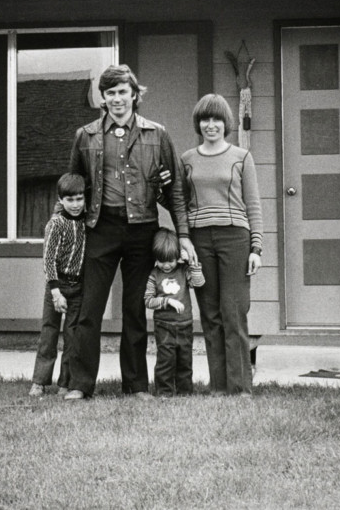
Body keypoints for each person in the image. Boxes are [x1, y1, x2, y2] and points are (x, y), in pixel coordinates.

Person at [64, 64, 196, 400]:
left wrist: (183, 236)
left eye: (123, 92)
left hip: (141, 231)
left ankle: (136, 384)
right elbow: (72, 188)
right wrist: (62, 234)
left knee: (135, 310)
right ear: (103, 99)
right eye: (110, 93)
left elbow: (176, 192)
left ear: (134, 95)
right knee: (89, 310)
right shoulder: (86, 136)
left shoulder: (158, 134)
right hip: (101, 229)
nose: (117, 98)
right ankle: (81, 384)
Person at [181, 93, 263, 396]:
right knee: (211, 315)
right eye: (205, 118)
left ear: (226, 122)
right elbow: (181, 203)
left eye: (217, 119)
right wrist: (185, 240)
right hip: (201, 240)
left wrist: (256, 247)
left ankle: (240, 386)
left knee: (233, 312)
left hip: (235, 239)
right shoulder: (187, 159)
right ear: (198, 123)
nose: (211, 124)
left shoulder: (241, 157)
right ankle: (218, 387)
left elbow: (253, 204)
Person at [29, 173, 87, 397]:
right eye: (70, 200)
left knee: (72, 336)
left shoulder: (86, 222)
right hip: (57, 285)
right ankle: (40, 381)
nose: (75, 205)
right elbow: (49, 259)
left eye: (79, 199)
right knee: (49, 333)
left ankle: (66, 382)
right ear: (61, 200)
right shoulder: (56, 224)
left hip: (78, 286)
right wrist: (55, 292)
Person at [144, 228, 204, 397]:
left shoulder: (183, 271)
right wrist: (167, 301)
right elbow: (148, 300)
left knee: (185, 360)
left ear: (177, 256)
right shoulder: (154, 276)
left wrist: (192, 263)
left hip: (185, 324)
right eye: (162, 261)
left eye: (170, 260)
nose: (167, 265)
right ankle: (164, 393)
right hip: (164, 326)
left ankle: (185, 392)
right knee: (166, 361)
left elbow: (198, 283)